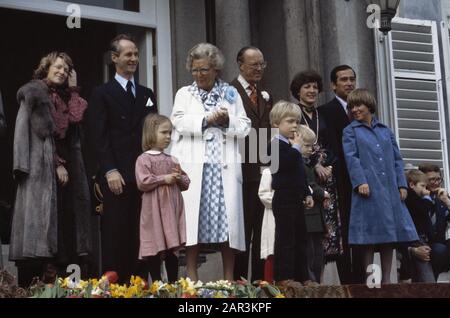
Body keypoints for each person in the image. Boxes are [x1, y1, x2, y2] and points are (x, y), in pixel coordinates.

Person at [170, 43, 251, 281]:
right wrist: (206, 119)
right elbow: (178, 122)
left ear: (215, 68)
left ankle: (228, 279)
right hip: (196, 168)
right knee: (193, 224)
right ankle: (192, 276)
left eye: (204, 69)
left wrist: (227, 121)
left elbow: (245, 126)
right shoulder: (184, 94)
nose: (199, 75)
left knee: (229, 225)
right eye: (195, 70)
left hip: (223, 167)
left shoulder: (231, 93)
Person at [10, 52, 91, 287]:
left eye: (67, 69)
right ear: (46, 67)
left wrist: (74, 90)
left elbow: (75, 118)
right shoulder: (34, 93)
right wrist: (56, 164)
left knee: (67, 227)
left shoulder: (67, 96)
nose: (62, 71)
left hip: (69, 169)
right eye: (58, 67)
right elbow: (35, 134)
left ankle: (63, 285)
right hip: (41, 170)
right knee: (43, 232)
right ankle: (39, 284)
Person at [88, 34, 157, 283]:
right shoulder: (101, 93)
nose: (134, 59)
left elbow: (153, 134)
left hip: (143, 177)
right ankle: (115, 286)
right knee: (115, 232)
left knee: (141, 233)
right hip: (116, 175)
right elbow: (98, 136)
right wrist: (109, 170)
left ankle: (138, 285)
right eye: (128, 54)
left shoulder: (148, 93)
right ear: (114, 58)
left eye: (136, 54)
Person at [342, 89, 418, 284]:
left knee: (388, 236)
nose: (355, 109)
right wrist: (360, 182)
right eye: (352, 107)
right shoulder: (350, 131)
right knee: (368, 237)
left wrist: (402, 184)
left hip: (390, 190)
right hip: (368, 189)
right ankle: (371, 281)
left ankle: (386, 280)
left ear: (369, 105)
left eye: (359, 105)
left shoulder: (385, 130)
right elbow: (352, 159)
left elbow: (397, 160)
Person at [290, 70, 343, 268]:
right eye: (307, 87)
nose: (312, 90)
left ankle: (321, 277)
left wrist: (328, 165)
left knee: (327, 232)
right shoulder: (294, 113)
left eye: (314, 87)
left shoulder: (324, 114)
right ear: (298, 91)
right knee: (308, 232)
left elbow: (332, 144)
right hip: (306, 175)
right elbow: (292, 142)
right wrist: (316, 164)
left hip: (327, 176)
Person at [231, 46, 273, 282]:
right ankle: (238, 283)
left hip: (263, 173)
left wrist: (271, 167)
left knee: (262, 230)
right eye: (253, 64)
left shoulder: (265, 94)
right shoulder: (230, 91)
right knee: (242, 231)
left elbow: (270, 130)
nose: (258, 69)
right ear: (240, 64)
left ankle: (258, 284)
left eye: (262, 64)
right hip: (241, 172)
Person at [135, 114, 190, 283]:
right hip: (153, 211)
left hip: (171, 212)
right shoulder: (144, 159)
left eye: (170, 133)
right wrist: (164, 179)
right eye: (164, 132)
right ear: (151, 133)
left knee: (171, 247)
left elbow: (186, 182)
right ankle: (158, 285)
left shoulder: (172, 159)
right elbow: (143, 182)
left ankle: (173, 284)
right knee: (155, 246)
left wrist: (178, 177)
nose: (168, 137)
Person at [319, 64, 358, 284]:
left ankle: (363, 283)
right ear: (334, 85)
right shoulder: (326, 111)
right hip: (340, 179)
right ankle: (348, 283)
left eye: (352, 79)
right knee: (343, 233)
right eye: (343, 80)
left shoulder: (362, 109)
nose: (349, 83)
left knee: (361, 234)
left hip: (362, 181)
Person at [268, 100, 314, 287]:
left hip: (296, 198)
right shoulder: (274, 145)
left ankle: (303, 276)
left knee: (300, 239)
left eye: (296, 121)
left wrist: (307, 193)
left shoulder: (290, 147)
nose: (294, 125)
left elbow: (300, 173)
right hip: (283, 198)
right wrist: (295, 148)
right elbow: (284, 165)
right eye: (289, 121)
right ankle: (283, 277)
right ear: (276, 124)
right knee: (285, 239)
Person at [298, 125, 329, 284]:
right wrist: (323, 193)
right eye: (307, 145)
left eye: (312, 146)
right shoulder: (301, 165)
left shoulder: (308, 163)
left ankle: (317, 281)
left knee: (318, 253)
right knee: (310, 253)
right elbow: (309, 185)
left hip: (315, 217)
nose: (311, 149)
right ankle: (311, 281)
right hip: (308, 217)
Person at [399, 169, 436, 283]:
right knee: (426, 276)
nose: (425, 190)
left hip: (416, 239)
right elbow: (424, 209)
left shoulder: (413, 198)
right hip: (416, 239)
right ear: (411, 185)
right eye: (423, 186)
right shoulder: (412, 197)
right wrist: (427, 198)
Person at [418, 164, 450, 279]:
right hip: (420, 245)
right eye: (431, 179)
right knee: (439, 250)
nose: (436, 183)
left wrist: (446, 201)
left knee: (440, 249)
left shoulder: (442, 197)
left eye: (438, 179)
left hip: (439, 245)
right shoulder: (416, 197)